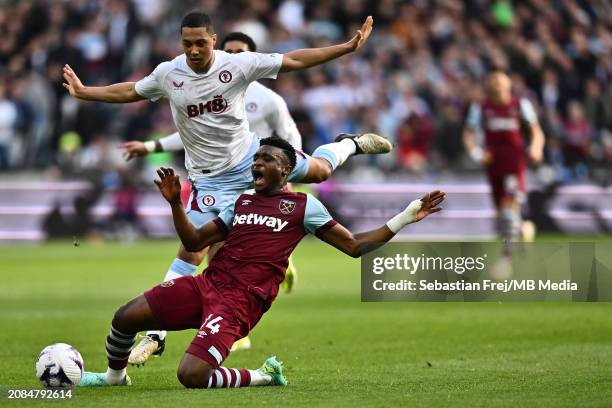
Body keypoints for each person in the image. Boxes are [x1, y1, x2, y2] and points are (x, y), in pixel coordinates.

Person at [63, 12, 392, 363]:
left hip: (253, 158)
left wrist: (345, 48)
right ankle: (155, 335)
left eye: (200, 43)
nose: (193, 50)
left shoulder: (237, 66)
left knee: (321, 170)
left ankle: (349, 143)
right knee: (192, 251)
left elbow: (295, 59)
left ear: (213, 40)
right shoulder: (169, 73)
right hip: (209, 180)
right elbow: (131, 90)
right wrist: (86, 92)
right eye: (187, 43)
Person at [78, 136, 446, 388]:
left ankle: (264, 376)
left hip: (240, 302)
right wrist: (176, 203)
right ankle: (114, 378)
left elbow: (353, 247)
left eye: (266, 160)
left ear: (286, 170)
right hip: (207, 284)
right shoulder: (240, 203)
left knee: (191, 376)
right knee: (125, 316)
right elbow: (193, 241)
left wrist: (405, 217)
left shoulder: (304, 207)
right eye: (256, 159)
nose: (257, 164)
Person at [463, 69, 545, 245]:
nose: (496, 82)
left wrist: (536, 148)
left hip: (514, 165)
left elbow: (536, 131)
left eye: (500, 79)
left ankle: (506, 257)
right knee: (502, 213)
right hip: (493, 166)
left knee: (510, 209)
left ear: (508, 83)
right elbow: (468, 136)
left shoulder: (521, 105)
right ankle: (524, 229)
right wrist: (477, 153)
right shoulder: (480, 108)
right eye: (492, 79)